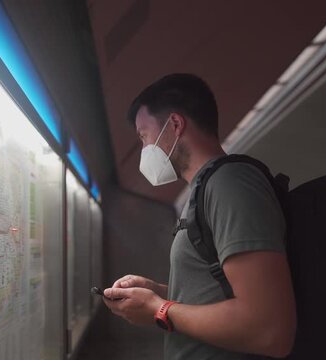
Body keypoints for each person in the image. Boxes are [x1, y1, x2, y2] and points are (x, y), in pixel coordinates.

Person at [102, 74, 297, 359]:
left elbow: (269, 329)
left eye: (144, 136)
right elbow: (222, 293)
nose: (145, 150)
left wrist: (159, 309)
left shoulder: (230, 185)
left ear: (176, 124)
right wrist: (159, 292)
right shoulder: (206, 189)